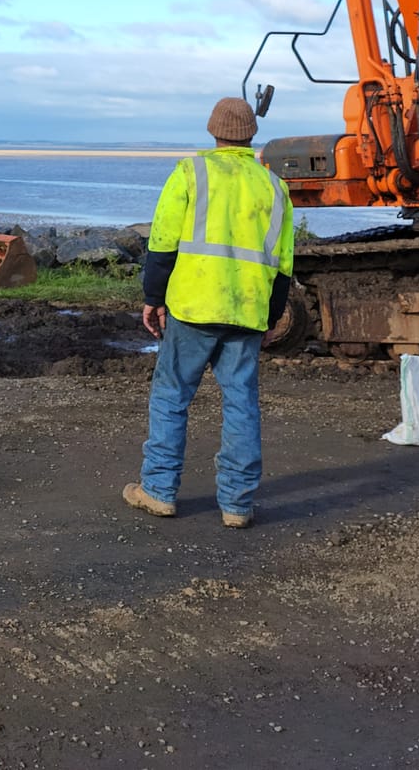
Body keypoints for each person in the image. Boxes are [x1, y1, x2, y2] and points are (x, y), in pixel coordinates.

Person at [123, 97, 294, 530]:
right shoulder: (274, 187)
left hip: (193, 308)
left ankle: (158, 491)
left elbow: (161, 243)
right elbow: (283, 262)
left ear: (213, 131)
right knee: (241, 403)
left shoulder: (190, 172)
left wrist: (152, 297)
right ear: (251, 134)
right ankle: (237, 504)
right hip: (248, 312)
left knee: (171, 396)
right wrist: (272, 317)